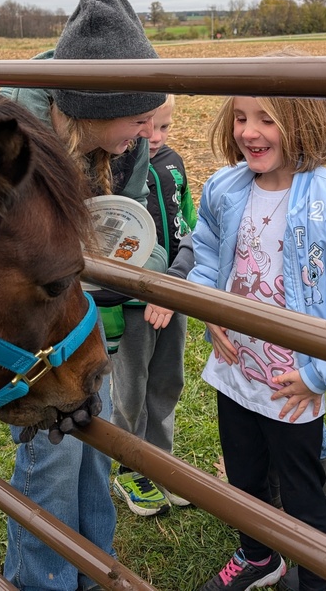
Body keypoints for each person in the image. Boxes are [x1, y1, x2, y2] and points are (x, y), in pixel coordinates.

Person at [188, 93, 326, 591]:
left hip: (294, 384)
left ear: (303, 122)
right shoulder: (223, 187)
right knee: (243, 476)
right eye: (240, 118)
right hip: (235, 369)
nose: (248, 131)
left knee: (303, 491)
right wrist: (207, 306)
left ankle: (316, 576)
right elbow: (206, 253)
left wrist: (319, 373)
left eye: (267, 119)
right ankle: (258, 555)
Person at [0, 0, 169, 591]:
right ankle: (40, 580)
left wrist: (139, 265)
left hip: (89, 315)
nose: (149, 129)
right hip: (33, 322)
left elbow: (132, 223)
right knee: (52, 450)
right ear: (94, 109)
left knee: (96, 441)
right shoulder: (13, 137)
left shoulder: (127, 148)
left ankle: (96, 569)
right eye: (139, 116)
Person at [108, 94, 199, 516]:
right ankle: (130, 466)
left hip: (172, 293)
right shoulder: (116, 165)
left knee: (167, 379)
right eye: (146, 126)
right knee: (131, 387)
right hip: (129, 302)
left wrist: (182, 276)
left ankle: (161, 461)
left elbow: (188, 222)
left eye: (164, 127)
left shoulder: (174, 164)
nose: (155, 137)